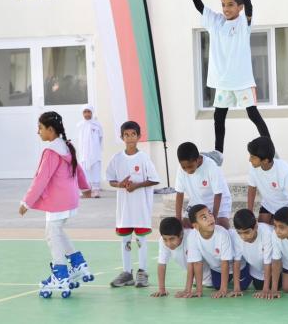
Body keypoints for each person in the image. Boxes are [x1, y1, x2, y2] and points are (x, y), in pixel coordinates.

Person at [184, 0, 271, 158]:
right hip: (223, 81)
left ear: (239, 7)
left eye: (230, 5)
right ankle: (218, 154)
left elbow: (250, 6)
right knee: (219, 117)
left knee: (253, 114)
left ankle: (269, 150)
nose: (226, 8)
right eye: (223, 5)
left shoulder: (243, 23)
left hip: (241, 80)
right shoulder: (216, 22)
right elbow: (199, 6)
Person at [19, 111, 94, 299]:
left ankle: (60, 275)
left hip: (58, 201)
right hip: (70, 200)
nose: (38, 132)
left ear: (50, 130)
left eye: (40, 128)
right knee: (57, 231)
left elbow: (41, 179)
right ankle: (77, 263)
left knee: (51, 235)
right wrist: (85, 187)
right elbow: (79, 169)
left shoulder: (52, 151)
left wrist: (26, 202)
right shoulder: (66, 146)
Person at [106, 121, 160, 288]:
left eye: (133, 134)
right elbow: (111, 180)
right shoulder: (117, 158)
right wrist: (120, 184)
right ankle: (127, 272)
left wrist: (136, 185)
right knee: (125, 240)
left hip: (140, 207)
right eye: (126, 135)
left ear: (139, 136)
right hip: (124, 208)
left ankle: (142, 272)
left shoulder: (143, 158)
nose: (130, 138)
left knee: (141, 239)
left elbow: (154, 179)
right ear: (122, 137)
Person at [183, 204, 251, 299]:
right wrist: (198, 290)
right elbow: (197, 263)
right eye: (204, 217)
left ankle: (249, 268)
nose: (210, 218)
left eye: (210, 213)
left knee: (243, 287)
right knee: (217, 286)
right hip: (217, 269)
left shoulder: (222, 233)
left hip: (237, 266)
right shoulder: (192, 237)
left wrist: (224, 289)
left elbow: (225, 262)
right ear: (196, 226)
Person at [247, 136, 288, 224]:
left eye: (253, 157)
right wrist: (249, 212)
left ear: (265, 161)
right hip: (269, 203)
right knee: (261, 226)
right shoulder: (253, 167)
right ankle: (273, 220)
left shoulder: (283, 169)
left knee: (287, 228)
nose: (249, 160)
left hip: (287, 204)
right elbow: (252, 188)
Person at [175, 142, 232, 229]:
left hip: (218, 201)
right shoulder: (181, 169)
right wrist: (178, 218)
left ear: (198, 159)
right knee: (186, 226)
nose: (187, 170)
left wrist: (213, 217)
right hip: (196, 201)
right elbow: (179, 193)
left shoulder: (211, 166)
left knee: (221, 226)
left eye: (190, 166)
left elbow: (218, 194)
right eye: (184, 167)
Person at [150, 217, 212, 298]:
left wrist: (187, 290)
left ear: (181, 234)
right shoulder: (162, 241)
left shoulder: (191, 237)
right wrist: (161, 289)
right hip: (198, 281)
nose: (168, 243)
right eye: (165, 239)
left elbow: (194, 264)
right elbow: (162, 264)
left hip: (212, 277)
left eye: (172, 239)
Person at [230, 209, 275, 298]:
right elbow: (237, 262)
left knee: (281, 286)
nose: (243, 237)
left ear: (256, 227)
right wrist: (236, 288)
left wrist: (266, 289)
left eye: (246, 232)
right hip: (256, 267)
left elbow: (268, 262)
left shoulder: (267, 233)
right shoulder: (236, 236)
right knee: (257, 286)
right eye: (240, 233)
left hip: (274, 268)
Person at [77, 104, 103, 198]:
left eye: (89, 112)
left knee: (95, 170)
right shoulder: (80, 125)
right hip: (84, 152)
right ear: (82, 113)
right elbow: (79, 139)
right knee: (84, 171)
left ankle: (96, 190)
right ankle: (86, 190)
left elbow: (101, 138)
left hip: (95, 152)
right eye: (85, 112)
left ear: (92, 113)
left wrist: (96, 149)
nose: (87, 114)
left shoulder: (97, 125)